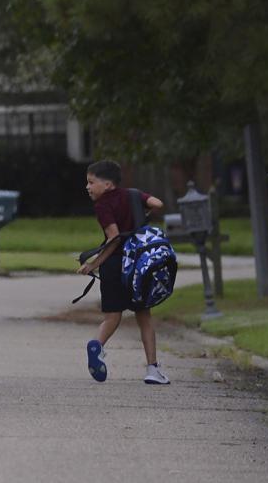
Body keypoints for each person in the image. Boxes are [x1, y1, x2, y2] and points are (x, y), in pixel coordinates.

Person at [77, 160, 169, 385]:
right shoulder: (133, 194)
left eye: (91, 182)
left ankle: (97, 346)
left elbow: (114, 239)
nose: (87, 187)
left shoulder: (102, 206)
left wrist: (94, 264)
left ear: (107, 185)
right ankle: (152, 370)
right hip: (139, 264)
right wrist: (142, 210)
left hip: (116, 266)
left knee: (112, 317)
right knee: (144, 316)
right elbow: (158, 203)